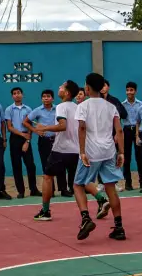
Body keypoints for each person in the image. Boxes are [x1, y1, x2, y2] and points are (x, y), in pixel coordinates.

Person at [33, 80, 110, 222]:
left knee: (47, 177)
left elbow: (62, 126)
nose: (59, 87)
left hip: (61, 149)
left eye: (61, 86)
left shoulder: (62, 106)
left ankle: (45, 211)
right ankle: (102, 199)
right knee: (81, 180)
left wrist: (44, 127)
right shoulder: (77, 107)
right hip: (77, 150)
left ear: (66, 93)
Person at [74, 73, 126, 241]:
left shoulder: (83, 106)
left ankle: (85, 219)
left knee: (77, 185)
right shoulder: (111, 106)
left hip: (92, 152)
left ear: (87, 88)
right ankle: (119, 227)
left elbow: (81, 128)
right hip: (109, 151)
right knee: (110, 187)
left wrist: (82, 151)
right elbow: (119, 130)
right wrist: (121, 152)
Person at [24, 89, 71, 197]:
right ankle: (51, 190)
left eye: (48, 96)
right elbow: (25, 122)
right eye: (44, 96)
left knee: (61, 164)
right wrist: (35, 130)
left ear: (52, 98)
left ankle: (63, 189)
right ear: (41, 99)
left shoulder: (58, 109)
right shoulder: (37, 110)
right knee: (47, 165)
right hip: (44, 141)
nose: (46, 98)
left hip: (57, 140)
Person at [5, 87, 41, 198]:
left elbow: (30, 125)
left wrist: (27, 140)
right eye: (14, 93)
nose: (17, 95)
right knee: (17, 166)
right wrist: (21, 135)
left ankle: (33, 189)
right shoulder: (9, 109)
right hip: (15, 138)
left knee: (31, 165)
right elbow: (9, 127)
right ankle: (21, 191)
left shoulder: (28, 109)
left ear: (22, 94)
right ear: (12, 96)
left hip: (26, 138)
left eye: (19, 93)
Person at [99, 80, 128, 192]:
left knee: (113, 159)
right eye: (100, 86)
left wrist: (117, 133)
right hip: (100, 135)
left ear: (108, 87)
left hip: (113, 135)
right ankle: (101, 183)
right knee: (100, 159)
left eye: (104, 85)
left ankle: (113, 183)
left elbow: (124, 115)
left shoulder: (114, 101)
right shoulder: (97, 101)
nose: (102, 87)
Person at [121, 81, 142, 191]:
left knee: (140, 156)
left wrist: (139, 133)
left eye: (131, 90)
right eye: (127, 90)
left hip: (137, 130)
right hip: (126, 131)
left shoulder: (141, 104)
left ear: (135, 91)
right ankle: (128, 182)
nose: (129, 92)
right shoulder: (122, 104)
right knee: (127, 158)